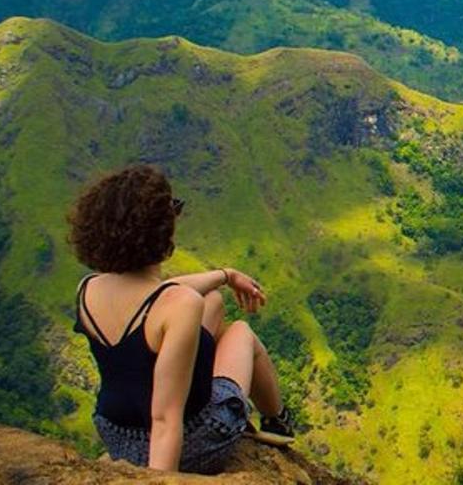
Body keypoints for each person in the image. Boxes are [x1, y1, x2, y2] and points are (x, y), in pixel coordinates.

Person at [67, 164, 297, 473]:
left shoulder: (88, 289)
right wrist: (160, 479)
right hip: (190, 439)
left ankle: (274, 419)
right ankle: (277, 420)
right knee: (241, 332)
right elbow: (165, 419)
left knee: (212, 301)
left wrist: (225, 276)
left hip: (118, 437)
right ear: (161, 230)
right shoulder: (179, 306)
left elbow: (156, 296)